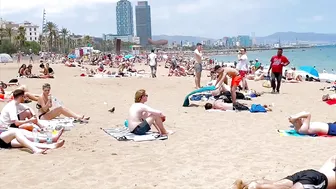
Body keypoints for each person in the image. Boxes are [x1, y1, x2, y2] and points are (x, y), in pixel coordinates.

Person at [232, 155, 336, 189]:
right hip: (318, 180)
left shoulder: (333, 159)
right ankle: (257, 186)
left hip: (310, 173)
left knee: (276, 183)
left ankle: (248, 184)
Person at [0, 128, 65, 154]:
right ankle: (36, 150)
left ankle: (50, 145)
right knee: (15, 132)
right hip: (1, 139)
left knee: (25, 142)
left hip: (3, 140)